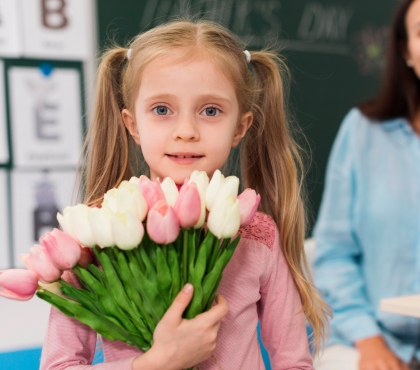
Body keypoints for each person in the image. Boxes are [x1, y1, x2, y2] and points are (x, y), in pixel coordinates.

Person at [40, 19, 329, 370]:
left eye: (211, 111)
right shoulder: (93, 235)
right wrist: (154, 364)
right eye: (162, 110)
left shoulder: (258, 235)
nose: (187, 131)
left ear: (240, 127)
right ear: (132, 124)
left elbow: (293, 362)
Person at [313, 1, 420, 369]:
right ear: (406, 50)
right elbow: (333, 252)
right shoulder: (362, 132)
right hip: (371, 340)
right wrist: (370, 342)